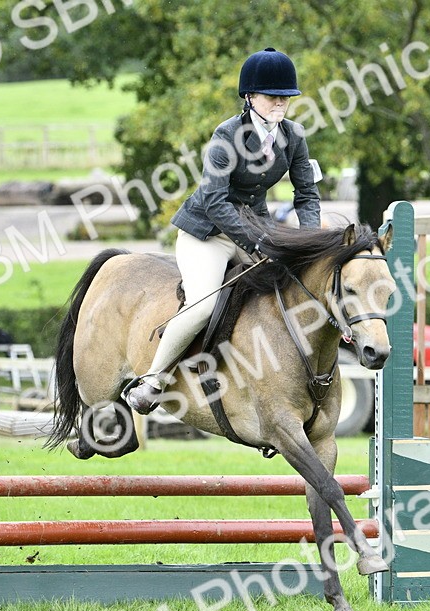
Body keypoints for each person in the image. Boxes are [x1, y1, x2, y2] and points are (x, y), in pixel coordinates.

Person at [123, 47, 321, 413]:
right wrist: (260, 240)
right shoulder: (225, 135)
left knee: (295, 286)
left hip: (255, 228)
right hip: (208, 234)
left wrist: (312, 244)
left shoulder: (293, 137)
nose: (280, 105)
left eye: (286, 99)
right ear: (249, 97)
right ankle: (154, 379)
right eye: (272, 97)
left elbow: (307, 194)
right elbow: (215, 201)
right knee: (204, 303)